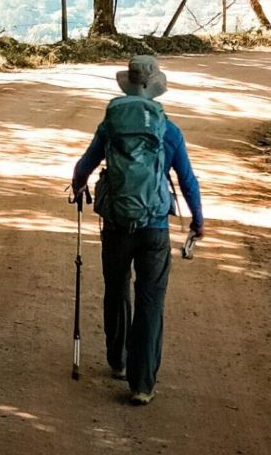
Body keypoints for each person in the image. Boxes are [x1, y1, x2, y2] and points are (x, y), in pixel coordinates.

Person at [71, 55, 203, 405]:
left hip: (116, 224)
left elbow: (84, 166)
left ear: (128, 84)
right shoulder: (169, 130)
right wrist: (198, 220)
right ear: (155, 86)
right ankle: (142, 384)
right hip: (155, 227)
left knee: (117, 290)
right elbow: (187, 180)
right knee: (150, 302)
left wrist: (79, 186)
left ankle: (117, 361)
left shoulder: (110, 125)